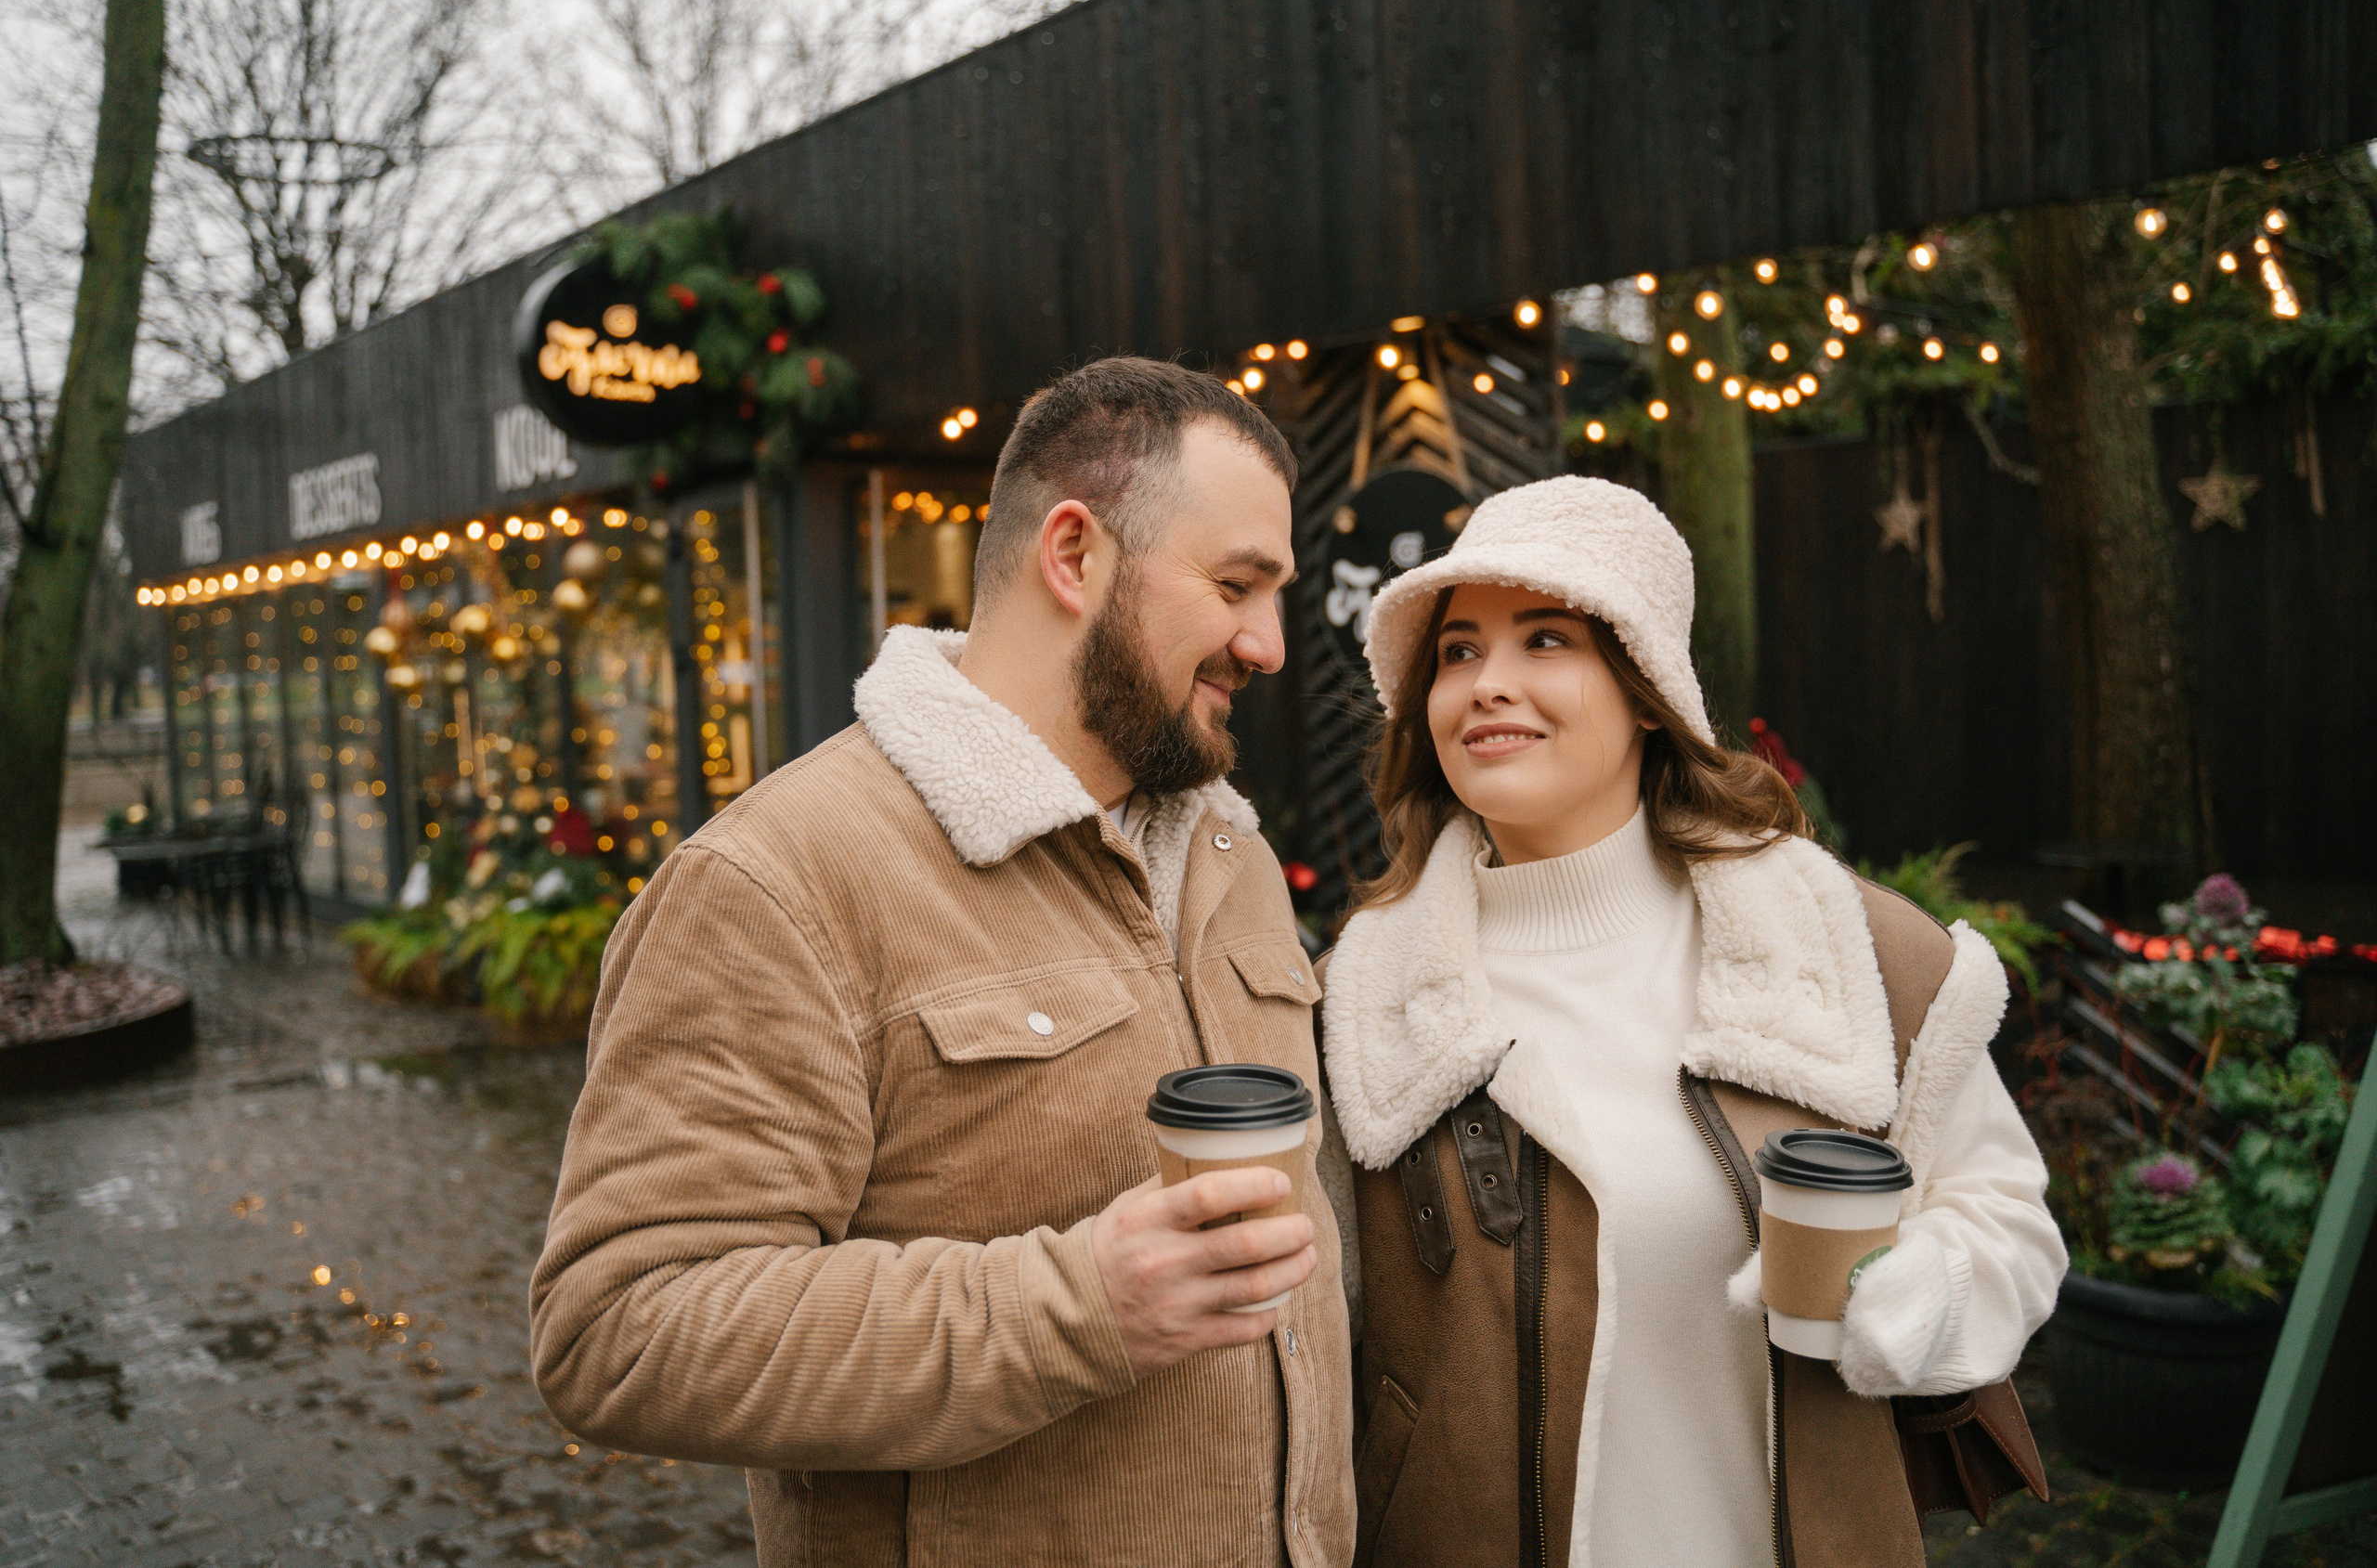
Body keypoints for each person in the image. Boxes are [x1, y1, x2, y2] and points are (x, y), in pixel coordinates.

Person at [530, 357, 1353, 1566]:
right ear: (1073, 555)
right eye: (1237, 585)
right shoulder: (776, 877)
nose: (1269, 644)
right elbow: (619, 1330)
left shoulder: (1232, 846)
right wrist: (1083, 1305)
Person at [1318, 476, 2065, 1567]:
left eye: (1545, 640)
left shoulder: (1837, 943)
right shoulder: (1358, 1001)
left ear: (1644, 691)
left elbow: (2005, 1218)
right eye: (1458, 651)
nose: (1487, 684)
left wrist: (1911, 1302)